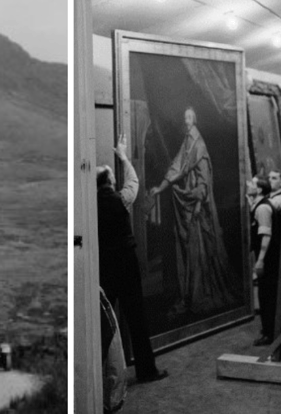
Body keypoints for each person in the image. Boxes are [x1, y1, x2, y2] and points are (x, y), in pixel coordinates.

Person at [148, 107, 239, 316]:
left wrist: (198, 202)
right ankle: (189, 294)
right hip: (189, 206)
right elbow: (176, 167)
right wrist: (160, 188)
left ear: (195, 120)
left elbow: (204, 178)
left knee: (198, 252)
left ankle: (199, 293)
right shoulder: (187, 143)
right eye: (184, 118)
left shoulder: (199, 145)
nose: (186, 121)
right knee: (189, 253)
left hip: (198, 209)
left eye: (189, 118)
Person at [97, 134, 168, 384]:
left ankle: (99, 378)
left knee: (101, 323)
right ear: (110, 180)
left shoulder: (88, 207)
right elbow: (134, 184)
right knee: (136, 319)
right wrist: (124, 156)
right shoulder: (120, 200)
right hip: (126, 264)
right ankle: (147, 370)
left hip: (103, 268)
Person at [247, 177, 281, 346]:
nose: (248, 185)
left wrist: (260, 260)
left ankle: (269, 334)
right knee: (266, 295)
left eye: (252, 184)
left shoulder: (262, 209)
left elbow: (266, 236)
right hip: (268, 259)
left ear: (259, 190)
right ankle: (269, 329)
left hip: (268, 260)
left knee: (266, 296)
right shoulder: (261, 205)